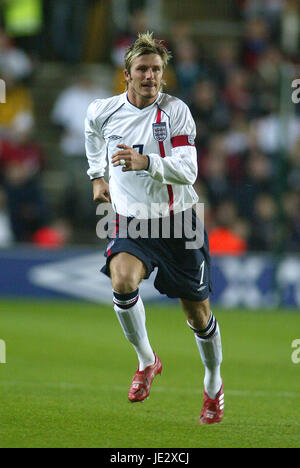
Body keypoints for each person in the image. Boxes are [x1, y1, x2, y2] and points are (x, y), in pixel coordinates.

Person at [85, 32, 224, 424]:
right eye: (142, 69)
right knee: (122, 281)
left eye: (157, 70)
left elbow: (190, 170)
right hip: (131, 220)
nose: (150, 76)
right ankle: (147, 361)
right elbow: (92, 135)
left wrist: (145, 163)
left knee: (198, 316)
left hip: (179, 222)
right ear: (126, 74)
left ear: (164, 75)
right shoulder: (103, 110)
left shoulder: (175, 112)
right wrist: (97, 176)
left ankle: (213, 384)